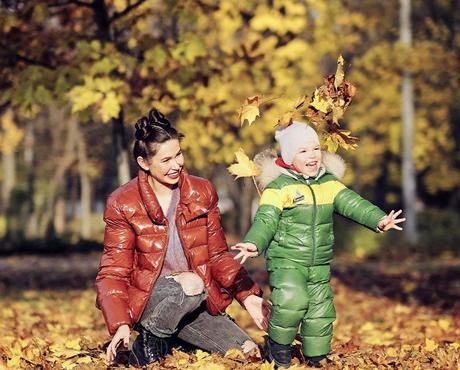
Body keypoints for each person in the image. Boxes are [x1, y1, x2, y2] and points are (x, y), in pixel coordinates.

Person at [95, 108, 270, 366]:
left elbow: (218, 255)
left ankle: (175, 338)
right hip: (151, 297)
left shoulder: (202, 191)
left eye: (178, 154)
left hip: (195, 299)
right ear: (144, 163)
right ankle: (150, 340)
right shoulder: (123, 202)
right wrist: (120, 324)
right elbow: (113, 272)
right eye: (166, 160)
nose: (177, 164)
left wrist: (248, 296)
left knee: (248, 352)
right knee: (190, 283)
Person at [232, 121, 405, 368]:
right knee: (292, 301)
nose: (312, 155)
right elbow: (266, 220)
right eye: (303, 151)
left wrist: (379, 219)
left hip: (319, 262)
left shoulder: (328, 183)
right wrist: (253, 243)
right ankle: (278, 346)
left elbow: (354, 204)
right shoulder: (279, 188)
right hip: (287, 261)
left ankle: (316, 356)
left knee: (320, 310)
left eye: (315, 149)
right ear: (290, 157)